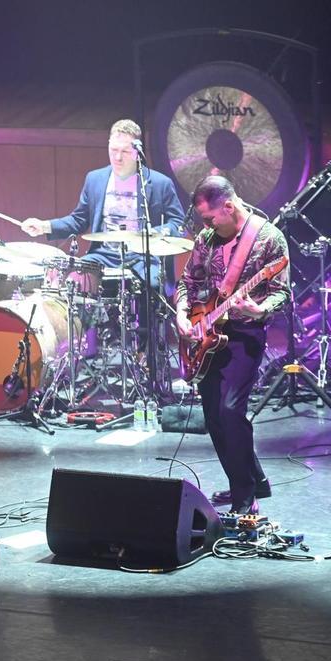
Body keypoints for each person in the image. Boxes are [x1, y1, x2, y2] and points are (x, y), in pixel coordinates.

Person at [174, 175, 289, 514]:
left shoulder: (269, 239)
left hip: (245, 335)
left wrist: (259, 309)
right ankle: (254, 479)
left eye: (209, 218)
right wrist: (183, 312)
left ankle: (245, 497)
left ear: (228, 206)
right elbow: (188, 283)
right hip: (207, 334)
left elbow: (281, 291)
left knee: (230, 411)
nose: (205, 225)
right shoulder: (206, 239)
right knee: (213, 418)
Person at [21, 118, 186, 289]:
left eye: (125, 151)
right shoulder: (95, 179)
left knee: (153, 286)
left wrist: (154, 233)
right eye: (113, 150)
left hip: (143, 257)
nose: (117, 157)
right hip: (103, 255)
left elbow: (179, 223)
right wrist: (45, 226)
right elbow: (79, 220)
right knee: (73, 279)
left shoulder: (160, 183)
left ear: (137, 151)